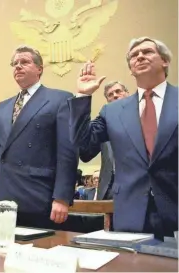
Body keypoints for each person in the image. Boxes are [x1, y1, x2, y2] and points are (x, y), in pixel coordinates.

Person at [0, 45, 78, 229]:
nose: (18, 67)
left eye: (24, 62)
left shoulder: (60, 99)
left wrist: (62, 197)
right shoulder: (4, 106)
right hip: (4, 196)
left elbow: (67, 152)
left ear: (39, 69)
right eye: (15, 63)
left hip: (39, 196)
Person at [68, 37, 177, 237]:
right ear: (131, 69)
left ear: (165, 61)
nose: (140, 56)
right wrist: (83, 97)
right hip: (130, 215)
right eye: (134, 55)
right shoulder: (113, 111)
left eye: (147, 52)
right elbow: (84, 148)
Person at [79, 81, 129, 200]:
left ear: (127, 93)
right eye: (110, 95)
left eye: (118, 91)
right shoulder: (104, 124)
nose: (115, 95)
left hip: (137, 188)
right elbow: (86, 151)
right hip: (109, 191)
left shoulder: (141, 115)